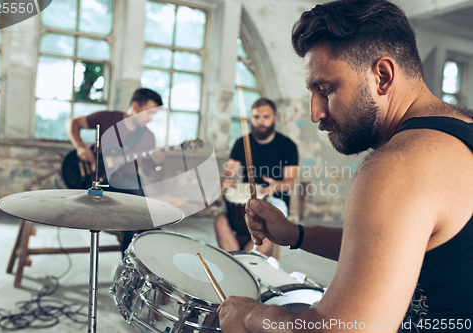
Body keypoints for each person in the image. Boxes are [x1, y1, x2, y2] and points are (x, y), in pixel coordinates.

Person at [217, 0, 473, 332]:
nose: (315, 113)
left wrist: (248, 315)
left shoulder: (399, 164)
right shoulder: (461, 129)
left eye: (325, 89)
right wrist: (296, 234)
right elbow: (390, 245)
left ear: (382, 76)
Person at [66, 87, 164, 253]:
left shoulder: (149, 137)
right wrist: (80, 147)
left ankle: (132, 260)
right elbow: (73, 123)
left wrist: (157, 163)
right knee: (139, 215)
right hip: (97, 175)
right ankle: (133, 256)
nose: (150, 118)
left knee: (143, 215)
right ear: (135, 106)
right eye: (148, 112)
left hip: (130, 180)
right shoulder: (107, 118)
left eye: (154, 114)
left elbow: (149, 171)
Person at [215, 97, 298, 256]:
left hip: (275, 198)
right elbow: (229, 173)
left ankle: (247, 266)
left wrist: (276, 185)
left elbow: (289, 182)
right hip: (246, 198)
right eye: (256, 117)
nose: (260, 121)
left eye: (266, 117)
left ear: (275, 119)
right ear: (251, 118)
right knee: (220, 221)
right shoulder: (241, 143)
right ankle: (237, 264)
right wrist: (225, 180)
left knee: (268, 226)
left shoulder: (287, 146)